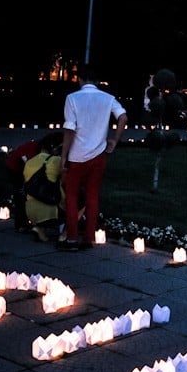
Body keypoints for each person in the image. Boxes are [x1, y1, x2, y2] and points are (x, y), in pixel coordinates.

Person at [58, 65, 128, 251]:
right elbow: (123, 117)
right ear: (97, 81)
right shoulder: (108, 98)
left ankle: (72, 238)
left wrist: (63, 156)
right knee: (92, 195)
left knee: (72, 196)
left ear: (80, 79)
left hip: (77, 154)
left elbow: (69, 129)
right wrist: (114, 140)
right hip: (98, 154)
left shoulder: (72, 98)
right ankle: (88, 237)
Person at [6, 132, 62, 232]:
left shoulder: (42, 151)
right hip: (15, 169)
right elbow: (26, 167)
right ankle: (21, 223)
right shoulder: (32, 151)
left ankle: (35, 219)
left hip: (27, 169)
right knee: (20, 195)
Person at [22, 137, 64, 242]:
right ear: (55, 148)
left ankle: (39, 228)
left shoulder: (29, 162)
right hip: (51, 212)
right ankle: (66, 234)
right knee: (79, 200)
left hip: (30, 211)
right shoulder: (56, 161)